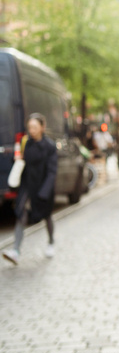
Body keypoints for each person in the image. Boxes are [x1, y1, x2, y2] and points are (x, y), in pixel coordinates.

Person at [3, 113, 58, 265]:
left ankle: (51, 241)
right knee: (21, 214)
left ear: (42, 127)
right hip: (27, 185)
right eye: (30, 127)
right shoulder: (25, 142)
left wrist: (45, 191)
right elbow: (20, 160)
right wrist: (17, 159)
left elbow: (52, 171)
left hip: (43, 187)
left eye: (35, 127)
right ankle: (16, 250)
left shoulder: (49, 146)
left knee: (46, 216)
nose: (32, 130)